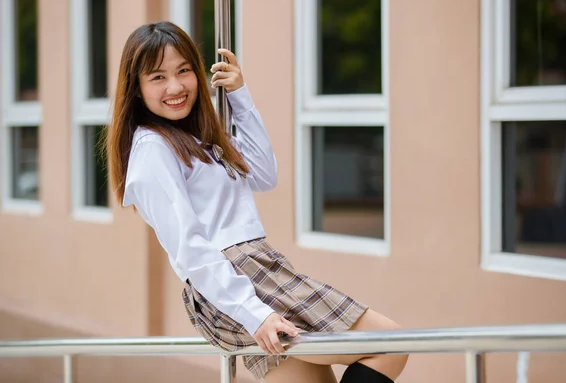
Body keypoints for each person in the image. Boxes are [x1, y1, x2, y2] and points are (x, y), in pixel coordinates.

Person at [105, 21, 408, 383]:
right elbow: (188, 248)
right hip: (234, 278)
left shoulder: (198, 136)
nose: (175, 87)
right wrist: (254, 313)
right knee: (389, 344)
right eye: (157, 77)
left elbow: (264, 174)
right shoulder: (153, 149)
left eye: (183, 71)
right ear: (136, 89)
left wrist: (239, 96)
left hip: (253, 270)